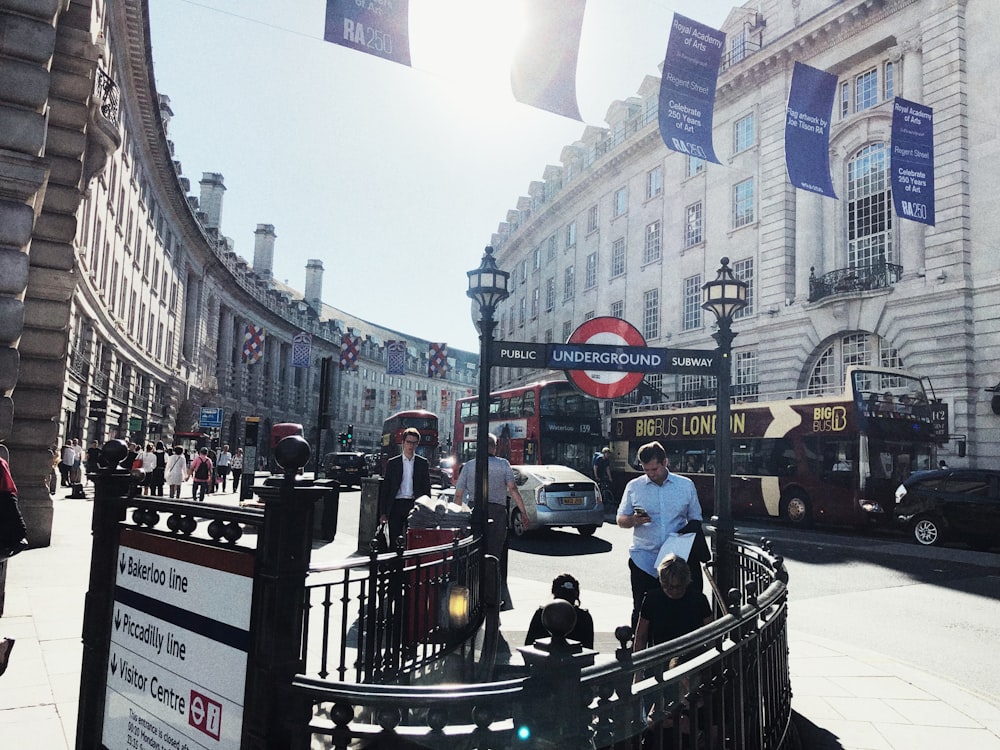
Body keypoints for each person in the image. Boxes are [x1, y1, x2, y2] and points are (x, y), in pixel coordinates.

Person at [617, 441, 706, 627]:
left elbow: (695, 520)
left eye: (654, 469)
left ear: (665, 462)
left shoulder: (685, 485)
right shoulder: (634, 487)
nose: (650, 474)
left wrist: (685, 537)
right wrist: (633, 520)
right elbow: (620, 520)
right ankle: (642, 652)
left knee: (679, 611)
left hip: (677, 561)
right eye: (645, 469)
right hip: (644, 560)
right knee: (642, 611)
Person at [453, 432, 529, 559]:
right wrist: (523, 513)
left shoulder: (469, 466)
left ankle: (475, 578)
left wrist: (456, 519)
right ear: (494, 447)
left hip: (474, 512)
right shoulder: (503, 464)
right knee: (494, 553)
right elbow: (513, 489)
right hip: (497, 513)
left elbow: (458, 496)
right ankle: (491, 577)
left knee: (473, 553)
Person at [377, 428, 431, 545]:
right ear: (403, 442)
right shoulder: (393, 463)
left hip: (414, 505)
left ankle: (409, 563)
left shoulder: (422, 463)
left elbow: (426, 488)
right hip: (396, 505)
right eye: (408, 442)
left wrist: (426, 510)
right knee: (394, 540)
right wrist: (383, 513)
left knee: (412, 541)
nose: (411, 446)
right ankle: (394, 563)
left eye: (414, 443)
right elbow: (385, 490)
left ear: (417, 444)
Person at [525, 573, 594, 649]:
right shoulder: (584, 617)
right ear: (576, 594)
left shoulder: (542, 614)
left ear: (554, 592)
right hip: (574, 660)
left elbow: (529, 645)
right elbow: (588, 649)